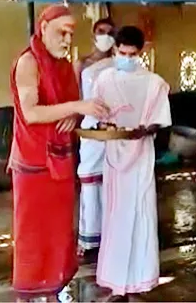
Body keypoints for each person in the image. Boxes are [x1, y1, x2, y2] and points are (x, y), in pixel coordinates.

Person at [9, 4, 109, 301]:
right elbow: (31, 113)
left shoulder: (65, 66)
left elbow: (68, 109)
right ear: (42, 29)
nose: (67, 40)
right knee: (32, 235)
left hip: (62, 157)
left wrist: (74, 114)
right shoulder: (29, 62)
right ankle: (27, 293)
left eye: (70, 34)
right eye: (61, 33)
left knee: (59, 233)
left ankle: (53, 291)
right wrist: (77, 108)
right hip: (33, 162)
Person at [93, 26, 172, 299]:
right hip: (114, 157)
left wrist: (142, 130)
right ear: (114, 49)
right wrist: (105, 124)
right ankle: (116, 283)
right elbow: (95, 116)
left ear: (141, 52)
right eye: (121, 52)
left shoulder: (154, 83)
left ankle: (139, 281)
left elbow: (159, 122)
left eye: (132, 53)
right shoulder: (104, 80)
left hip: (140, 158)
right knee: (115, 216)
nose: (126, 57)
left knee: (140, 216)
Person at [74, 18, 116, 258]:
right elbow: (77, 97)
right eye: (101, 32)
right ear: (93, 34)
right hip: (90, 127)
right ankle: (89, 237)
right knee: (89, 178)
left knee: (111, 181)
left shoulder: (119, 64)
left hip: (114, 127)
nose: (105, 36)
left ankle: (110, 235)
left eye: (110, 33)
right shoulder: (82, 64)